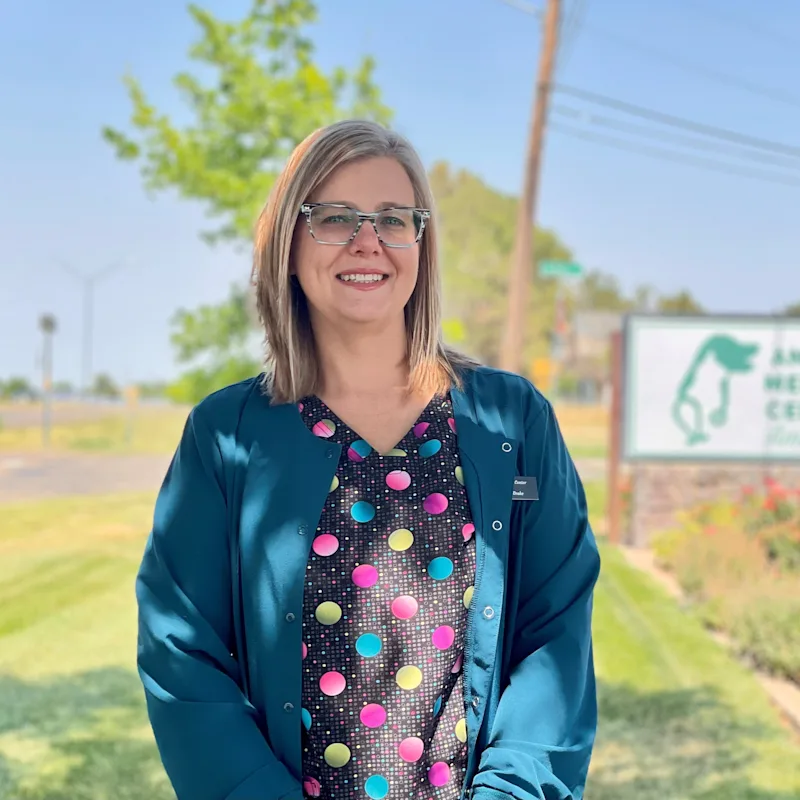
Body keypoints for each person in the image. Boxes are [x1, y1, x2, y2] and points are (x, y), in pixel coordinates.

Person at [135, 119, 601, 800]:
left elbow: (554, 631)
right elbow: (183, 653)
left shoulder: (512, 423)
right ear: (289, 246)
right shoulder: (227, 436)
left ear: (422, 243)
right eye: (333, 217)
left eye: (393, 218)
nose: (367, 241)